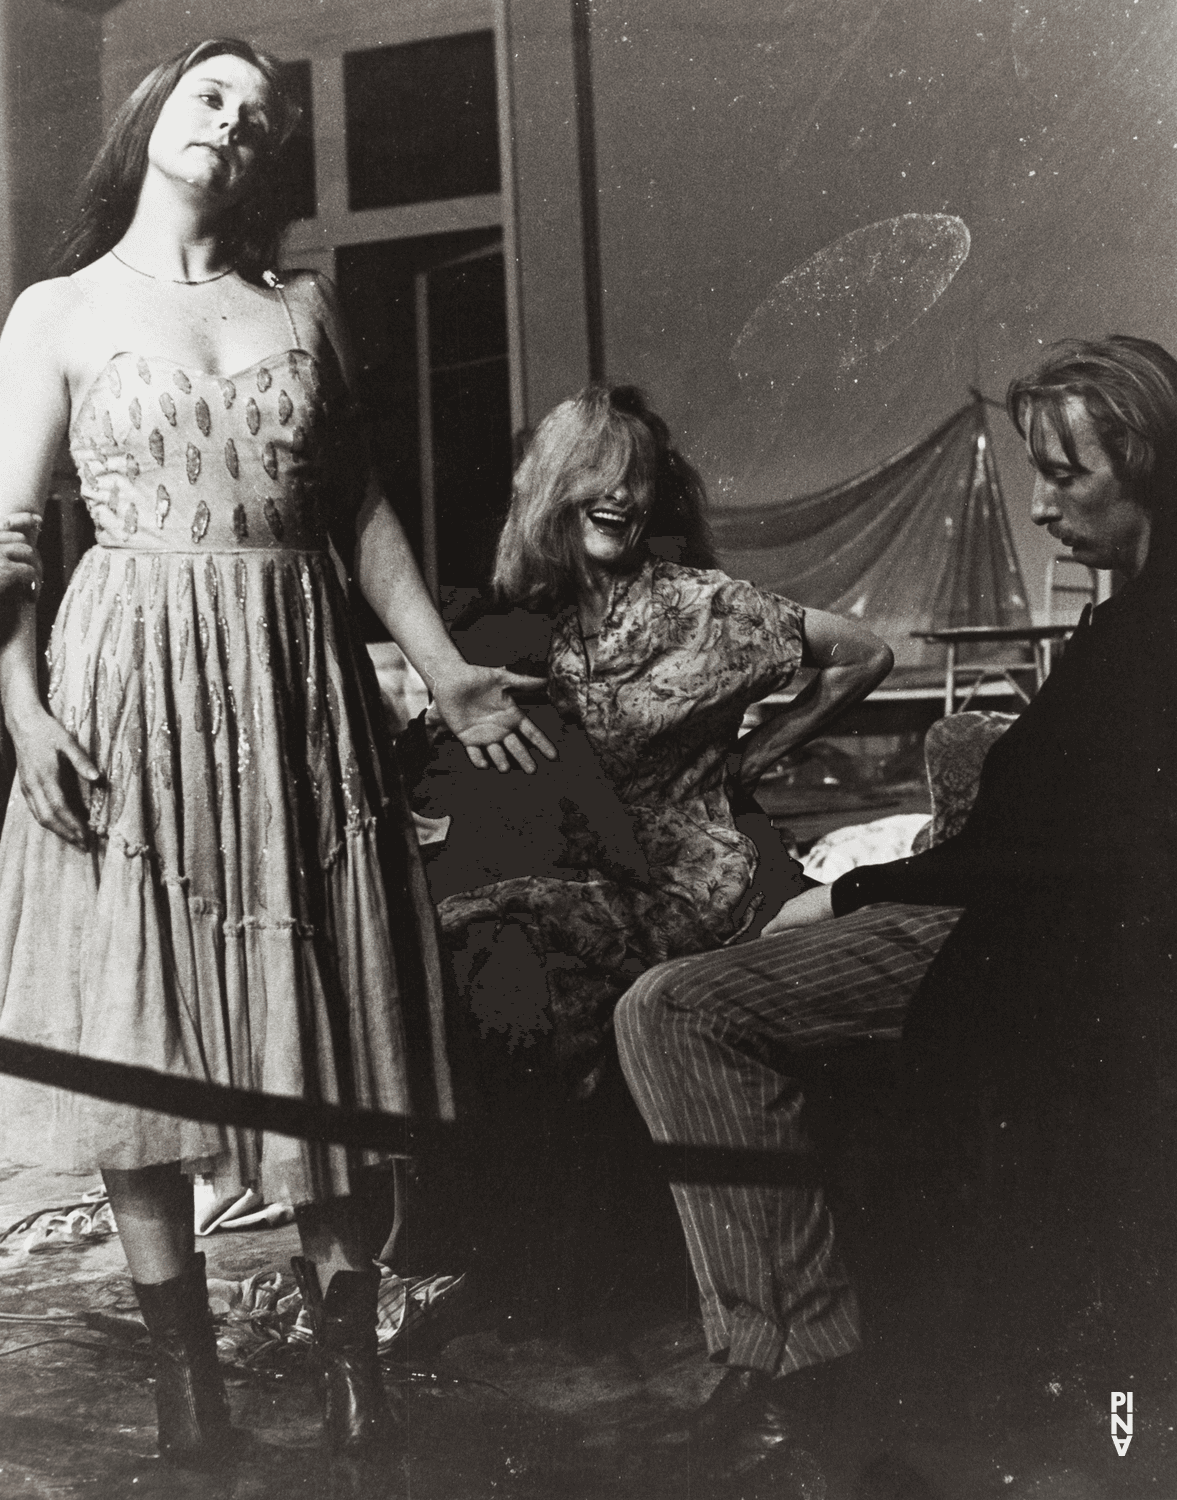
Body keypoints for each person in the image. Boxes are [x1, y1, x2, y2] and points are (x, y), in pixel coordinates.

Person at [0, 39, 555, 1468]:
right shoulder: (54, 312)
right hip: (126, 680)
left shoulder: (300, 309)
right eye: (212, 95)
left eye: (260, 117)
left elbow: (360, 514)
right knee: (145, 1025)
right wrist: (22, 712)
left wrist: (446, 675)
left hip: (289, 682)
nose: (236, 124)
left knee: (318, 1014)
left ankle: (349, 1363)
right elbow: (2, 551)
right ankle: (191, 1378)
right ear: (150, 115)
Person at [615, 335, 1177, 1488]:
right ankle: (794, 1362)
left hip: (1032, 939)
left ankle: (800, 1376)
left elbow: (1063, 855)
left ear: (1149, 462)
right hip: (1009, 910)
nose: (1038, 504)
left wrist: (852, 892)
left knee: (677, 1010)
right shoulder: (1128, 620)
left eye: (1064, 475)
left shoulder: (1147, 637)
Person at [435, 385, 894, 1100]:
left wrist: (757, 754)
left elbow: (864, 654)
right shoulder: (528, 616)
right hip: (568, 865)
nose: (621, 492)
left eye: (637, 474)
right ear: (554, 486)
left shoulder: (702, 607)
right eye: (599, 470)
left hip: (679, 882)